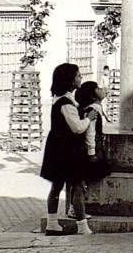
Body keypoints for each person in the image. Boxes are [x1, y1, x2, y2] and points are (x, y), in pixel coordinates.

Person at [40, 63, 97, 235]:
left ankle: (52, 223)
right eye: (78, 75)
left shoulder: (61, 98)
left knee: (57, 186)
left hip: (57, 147)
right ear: (70, 80)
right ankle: (82, 226)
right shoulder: (66, 103)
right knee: (77, 185)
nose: (81, 78)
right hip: (68, 150)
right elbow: (77, 128)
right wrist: (89, 118)